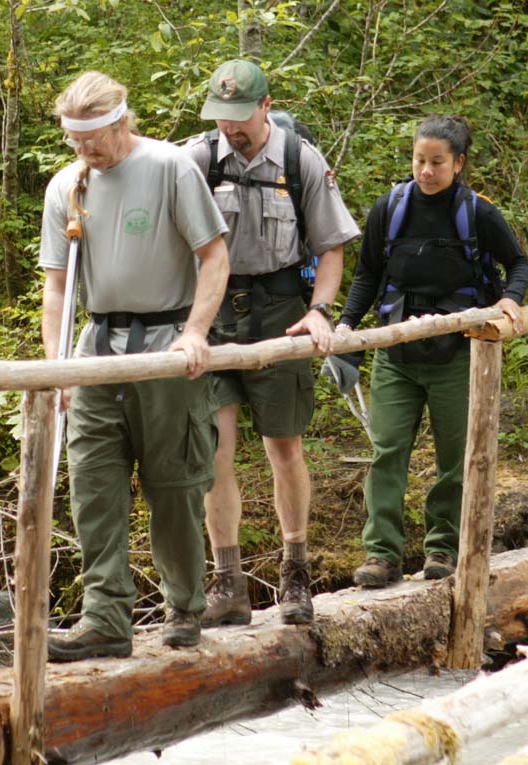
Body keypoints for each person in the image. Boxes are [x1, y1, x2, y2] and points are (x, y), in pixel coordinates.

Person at [39, 71, 230, 661]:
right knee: (94, 486)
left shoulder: (170, 168)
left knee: (174, 485)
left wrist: (195, 332)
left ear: (122, 122)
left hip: (166, 346)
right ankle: (105, 619)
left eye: (93, 137)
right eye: (74, 139)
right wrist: (57, 367)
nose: (85, 149)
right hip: (96, 353)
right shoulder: (67, 185)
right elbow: (56, 286)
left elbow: (214, 256)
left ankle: (184, 606)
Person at [185, 60, 360, 626]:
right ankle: (227, 583)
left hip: (281, 312)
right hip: (212, 316)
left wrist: (319, 311)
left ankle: (295, 573)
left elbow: (331, 246)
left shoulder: (300, 161)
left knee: (284, 447)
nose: (230, 128)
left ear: (265, 106)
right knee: (215, 452)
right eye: (221, 117)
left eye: (239, 116)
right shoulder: (197, 160)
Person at [334, 115, 528, 588]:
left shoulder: (478, 213)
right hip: (396, 353)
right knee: (387, 452)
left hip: (458, 356)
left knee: (454, 459)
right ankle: (382, 554)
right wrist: (345, 327)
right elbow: (367, 274)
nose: (426, 170)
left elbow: (518, 263)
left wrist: (511, 298)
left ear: (458, 163)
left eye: (437, 162)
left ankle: (443, 548)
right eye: (419, 160)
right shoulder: (390, 209)